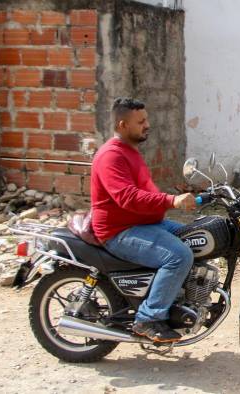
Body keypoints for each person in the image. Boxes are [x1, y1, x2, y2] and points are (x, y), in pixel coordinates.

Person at [91, 97, 196, 343]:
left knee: (195, 237)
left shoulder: (131, 153)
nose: (147, 125)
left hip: (144, 223)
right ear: (122, 125)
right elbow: (127, 197)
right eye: (141, 121)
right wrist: (171, 201)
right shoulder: (111, 156)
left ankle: (178, 300)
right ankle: (148, 319)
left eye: (146, 119)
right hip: (120, 230)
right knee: (179, 255)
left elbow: (147, 193)